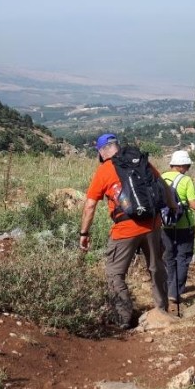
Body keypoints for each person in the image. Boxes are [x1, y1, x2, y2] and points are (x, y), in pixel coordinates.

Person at [80, 133, 170, 329]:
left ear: (102, 152)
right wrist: (173, 207)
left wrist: (84, 234)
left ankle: (123, 317)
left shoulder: (104, 170)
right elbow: (163, 186)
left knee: (114, 273)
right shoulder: (139, 161)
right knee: (156, 267)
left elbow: (90, 205)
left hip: (124, 230)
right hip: (152, 225)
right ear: (117, 147)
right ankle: (161, 309)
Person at [161, 150, 195, 312]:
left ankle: (168, 289)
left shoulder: (161, 177)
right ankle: (176, 292)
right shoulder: (185, 180)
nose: (188, 168)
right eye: (187, 165)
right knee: (183, 258)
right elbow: (194, 206)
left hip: (165, 225)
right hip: (184, 225)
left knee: (169, 257)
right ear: (182, 165)